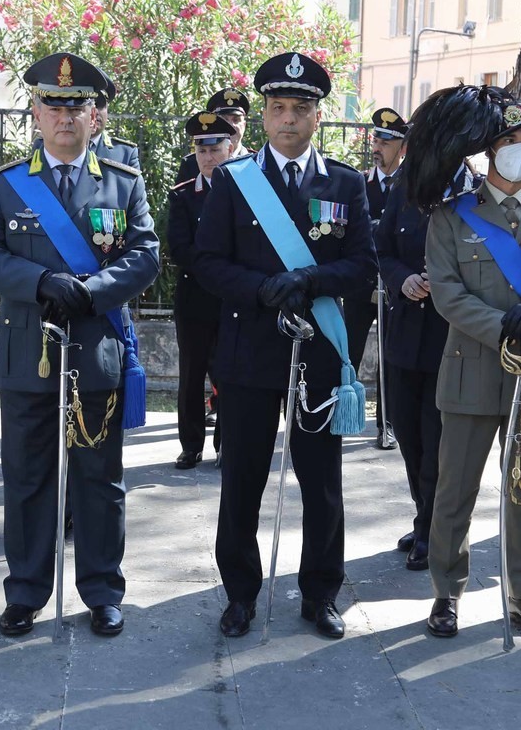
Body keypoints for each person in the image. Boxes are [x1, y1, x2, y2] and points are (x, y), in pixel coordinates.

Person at [0, 52, 159, 638]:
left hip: (95, 351)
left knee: (99, 479)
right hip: (30, 353)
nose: (65, 115)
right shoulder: (5, 186)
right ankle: (25, 591)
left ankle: (103, 590)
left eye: (77, 105)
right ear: (35, 111)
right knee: (27, 478)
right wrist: (41, 282)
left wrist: (92, 290)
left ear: (95, 115)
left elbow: (145, 255)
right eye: (53, 103)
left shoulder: (123, 183)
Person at [195, 52, 377, 639]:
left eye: (301, 108)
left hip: (320, 349)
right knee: (242, 478)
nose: (289, 119)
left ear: (318, 116)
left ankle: (321, 593)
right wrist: (262, 289)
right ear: (265, 118)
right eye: (278, 108)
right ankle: (240, 594)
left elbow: (362, 265)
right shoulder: (234, 179)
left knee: (322, 481)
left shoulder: (345, 183)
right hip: (251, 349)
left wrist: (310, 280)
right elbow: (206, 262)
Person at [407, 86, 521, 641]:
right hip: (469, 371)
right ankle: (446, 593)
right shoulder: (452, 217)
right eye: (512, 140)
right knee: (454, 491)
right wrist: (504, 326)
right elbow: (446, 292)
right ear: (489, 149)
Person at [374, 153, 453, 572]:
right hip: (404, 333)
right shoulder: (403, 189)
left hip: (449, 338)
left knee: (436, 438)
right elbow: (381, 247)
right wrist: (400, 278)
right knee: (407, 433)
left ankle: (432, 529)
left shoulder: (472, 192)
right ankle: (423, 513)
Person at [167, 112, 234, 469]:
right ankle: (191, 444)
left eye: (215, 148)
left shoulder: (244, 190)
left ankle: (226, 442)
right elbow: (178, 247)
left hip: (232, 299)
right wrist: (215, 268)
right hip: (195, 298)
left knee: (230, 373)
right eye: (200, 149)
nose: (207, 157)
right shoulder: (182, 195)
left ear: (230, 147)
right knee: (191, 375)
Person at [347, 107, 408, 451]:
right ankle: (344, 416)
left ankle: (386, 424)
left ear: (402, 147)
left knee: (390, 357)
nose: (378, 146)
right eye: (376, 139)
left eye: (386, 141)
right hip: (361, 284)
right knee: (348, 352)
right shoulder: (358, 183)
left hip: (393, 286)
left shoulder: (410, 188)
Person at [176, 87, 252, 182]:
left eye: (236, 120)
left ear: (244, 125)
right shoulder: (191, 164)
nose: (231, 125)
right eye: (224, 120)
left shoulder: (257, 162)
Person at [89, 75, 140, 169]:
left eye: (99, 104)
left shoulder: (125, 154)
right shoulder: (56, 150)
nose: (94, 112)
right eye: (88, 106)